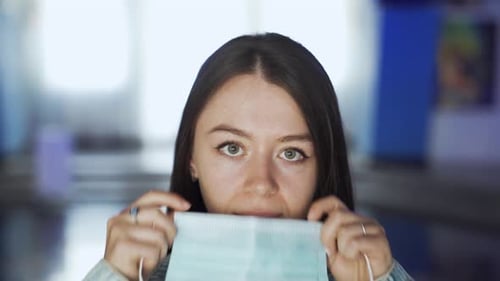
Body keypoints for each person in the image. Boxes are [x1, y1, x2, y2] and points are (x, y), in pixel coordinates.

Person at [84, 32, 413, 281]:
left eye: (291, 153)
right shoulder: (136, 274)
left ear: (323, 166)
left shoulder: (365, 275)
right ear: (191, 158)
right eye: (232, 148)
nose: (261, 183)